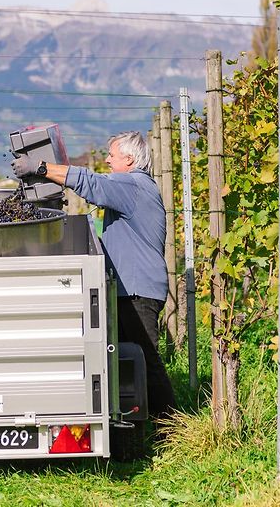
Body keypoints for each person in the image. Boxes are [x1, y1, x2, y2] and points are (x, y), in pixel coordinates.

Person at [12, 131, 177, 419]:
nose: (108, 160)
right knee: (129, 360)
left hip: (137, 289)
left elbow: (91, 182)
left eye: (112, 155)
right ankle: (137, 423)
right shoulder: (137, 188)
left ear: (129, 159)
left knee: (146, 359)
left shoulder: (132, 185)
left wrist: (40, 167)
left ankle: (171, 426)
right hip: (132, 288)